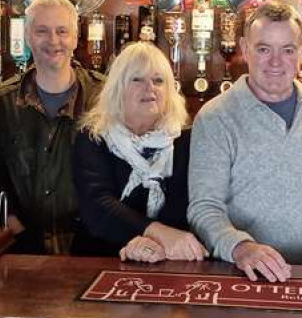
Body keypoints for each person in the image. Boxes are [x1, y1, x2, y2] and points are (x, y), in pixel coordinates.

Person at [188, 2, 302, 282]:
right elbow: (204, 207)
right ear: (245, 49)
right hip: (243, 277)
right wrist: (241, 247)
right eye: (263, 49)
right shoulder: (215, 117)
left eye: (287, 50)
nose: (275, 61)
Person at [0, 0, 104, 254]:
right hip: (22, 249)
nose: (53, 41)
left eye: (62, 31)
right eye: (42, 31)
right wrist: (14, 228)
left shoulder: (103, 96)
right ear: (27, 37)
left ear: (75, 37)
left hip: (92, 249)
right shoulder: (2, 102)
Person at [72, 42, 207, 263]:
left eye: (158, 80)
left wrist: (155, 244)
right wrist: (155, 233)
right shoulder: (93, 137)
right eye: (137, 79)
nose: (150, 88)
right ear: (118, 87)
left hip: (170, 261)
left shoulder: (186, 141)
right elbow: (97, 206)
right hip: (101, 259)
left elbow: (194, 206)